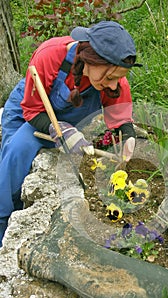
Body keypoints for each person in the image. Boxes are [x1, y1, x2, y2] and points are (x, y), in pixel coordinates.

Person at [0, 20, 141, 247]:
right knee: (14, 159)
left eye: (118, 78)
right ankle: (3, 225)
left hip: (64, 122)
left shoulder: (113, 76)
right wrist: (63, 130)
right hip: (29, 109)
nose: (114, 83)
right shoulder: (50, 55)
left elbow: (120, 115)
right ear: (92, 59)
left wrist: (128, 135)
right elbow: (32, 109)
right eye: (110, 77)